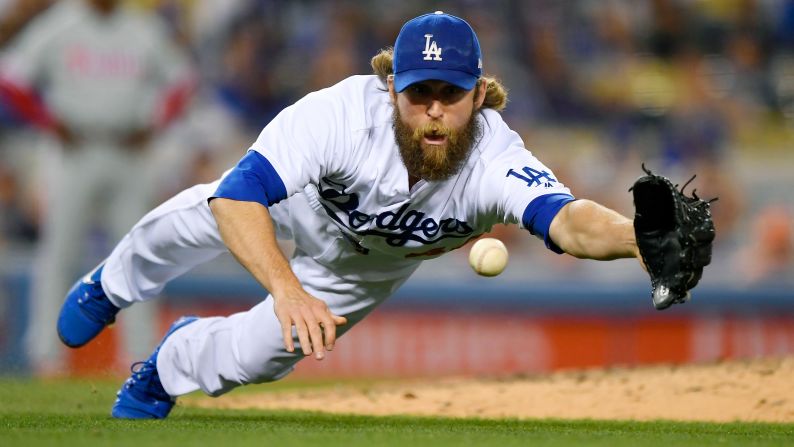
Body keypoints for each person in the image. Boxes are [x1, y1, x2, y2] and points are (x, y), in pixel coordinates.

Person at [58, 11, 643, 419]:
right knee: (195, 218)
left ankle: (166, 367)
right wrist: (285, 288)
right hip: (303, 205)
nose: (435, 112)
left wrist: (642, 238)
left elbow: (569, 221)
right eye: (420, 93)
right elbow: (238, 198)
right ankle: (109, 285)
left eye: (452, 93)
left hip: (364, 269)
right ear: (390, 87)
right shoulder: (339, 114)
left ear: (481, 94)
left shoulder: (495, 155)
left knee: (257, 358)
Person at [0, 0, 195, 373]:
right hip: (74, 149)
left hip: (129, 151)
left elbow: (182, 80)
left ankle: (138, 357)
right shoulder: (60, 23)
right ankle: (47, 356)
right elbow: (11, 77)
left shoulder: (142, 27)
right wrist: (46, 119)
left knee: (139, 254)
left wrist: (155, 124)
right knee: (59, 252)